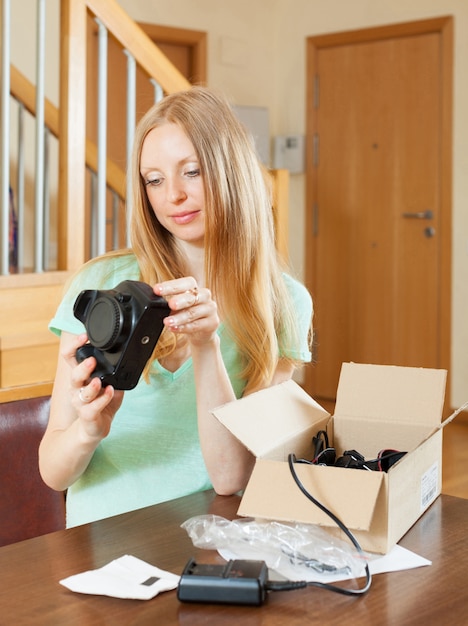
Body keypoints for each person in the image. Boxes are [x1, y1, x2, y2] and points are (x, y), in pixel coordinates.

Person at [39, 86, 313, 527]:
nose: (174, 196)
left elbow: (230, 477)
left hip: (209, 531)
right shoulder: (98, 285)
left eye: (192, 171)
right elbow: (53, 473)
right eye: (155, 179)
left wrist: (206, 345)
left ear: (231, 173)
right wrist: (89, 430)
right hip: (100, 543)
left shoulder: (282, 303)